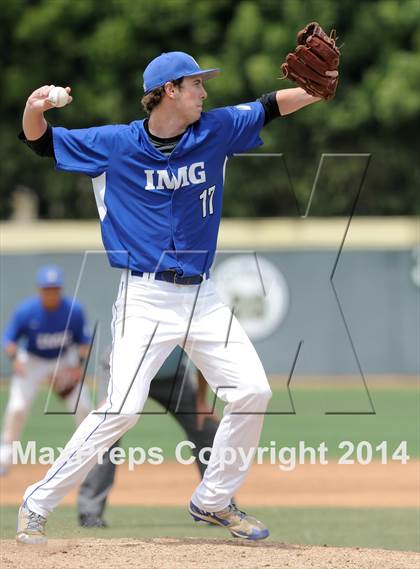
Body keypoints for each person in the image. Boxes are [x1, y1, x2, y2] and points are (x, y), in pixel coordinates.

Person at [16, 51, 323, 544]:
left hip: (202, 296)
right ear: (169, 91)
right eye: (195, 83)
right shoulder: (115, 145)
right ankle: (36, 502)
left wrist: (318, 88)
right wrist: (35, 109)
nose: (205, 91)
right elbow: (41, 144)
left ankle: (213, 500)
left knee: (253, 391)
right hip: (145, 298)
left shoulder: (215, 129)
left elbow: (268, 106)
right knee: (121, 410)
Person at [77, 345, 219, 528]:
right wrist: (112, 396)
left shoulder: (193, 320)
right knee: (107, 431)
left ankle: (217, 505)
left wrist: (201, 402)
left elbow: (204, 361)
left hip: (171, 377)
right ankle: (90, 511)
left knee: (206, 427)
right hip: (126, 372)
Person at [0, 265, 92, 475]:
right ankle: (5, 457)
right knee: (17, 408)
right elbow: (9, 340)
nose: (51, 292)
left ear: (60, 289)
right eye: (47, 288)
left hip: (63, 360)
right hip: (32, 361)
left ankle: (89, 454)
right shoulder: (27, 311)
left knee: (83, 405)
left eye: (55, 288)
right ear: (40, 290)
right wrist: (15, 358)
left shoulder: (73, 311)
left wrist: (78, 365)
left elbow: (84, 341)